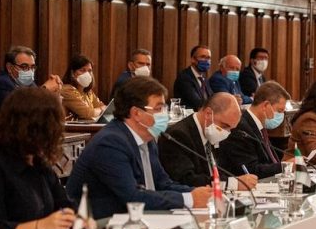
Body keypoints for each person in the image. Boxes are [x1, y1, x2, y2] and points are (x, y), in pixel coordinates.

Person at [66, 77, 212, 219]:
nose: (164, 114)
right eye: (159, 108)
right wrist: (188, 199)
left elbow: (162, 184)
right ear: (136, 113)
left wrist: (198, 193)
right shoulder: (110, 143)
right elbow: (132, 197)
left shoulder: (147, 139)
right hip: (97, 225)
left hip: (138, 219)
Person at [0, 87, 76, 229]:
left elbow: (65, 204)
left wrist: (79, 219)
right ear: (30, 129)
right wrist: (40, 226)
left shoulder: (40, 165)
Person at [158, 92, 257, 189]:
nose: (226, 132)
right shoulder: (178, 135)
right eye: (225, 126)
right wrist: (231, 184)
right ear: (208, 114)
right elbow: (186, 180)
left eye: (231, 128)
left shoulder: (213, 132)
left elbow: (223, 171)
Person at [0, 46, 62, 130]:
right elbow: (21, 110)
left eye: (32, 67)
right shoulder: (1, 83)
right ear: (9, 68)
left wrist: (54, 93)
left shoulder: (29, 84)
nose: (30, 71)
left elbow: (37, 111)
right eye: (24, 67)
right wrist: (45, 89)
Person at [218, 81, 291, 178]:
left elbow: (269, 161)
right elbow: (251, 170)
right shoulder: (240, 128)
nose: (281, 115)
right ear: (265, 105)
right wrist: (285, 166)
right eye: (279, 111)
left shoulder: (259, 127)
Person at [61, 54, 107, 120]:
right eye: (82, 70)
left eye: (89, 71)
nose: (87, 74)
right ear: (72, 73)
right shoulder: (67, 90)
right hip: (71, 129)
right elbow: (88, 113)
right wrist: (101, 109)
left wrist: (100, 109)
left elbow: (103, 107)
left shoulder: (88, 92)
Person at [173, 45, 214, 111]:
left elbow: (211, 97)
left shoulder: (203, 77)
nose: (206, 61)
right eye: (203, 57)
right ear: (193, 59)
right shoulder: (184, 77)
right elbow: (197, 102)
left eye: (208, 58)